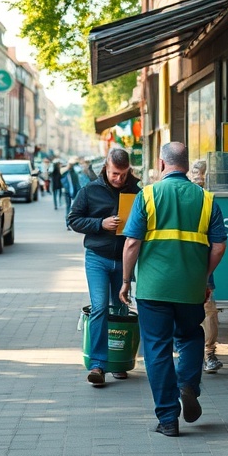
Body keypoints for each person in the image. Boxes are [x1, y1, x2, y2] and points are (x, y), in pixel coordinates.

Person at [119, 142, 227, 437]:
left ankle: (168, 419)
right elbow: (219, 246)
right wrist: (204, 277)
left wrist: (126, 280)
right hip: (191, 288)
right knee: (191, 336)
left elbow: (131, 243)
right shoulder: (206, 199)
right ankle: (188, 384)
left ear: (161, 163)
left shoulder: (148, 195)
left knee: (157, 348)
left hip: (153, 289)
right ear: (187, 164)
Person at [67, 147, 141, 387]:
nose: (119, 178)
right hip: (97, 258)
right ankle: (98, 364)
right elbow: (73, 220)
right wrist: (101, 223)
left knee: (120, 308)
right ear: (106, 168)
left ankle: (118, 362)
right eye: (114, 174)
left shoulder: (137, 191)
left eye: (123, 174)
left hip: (124, 259)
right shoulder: (90, 190)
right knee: (99, 307)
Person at [190, 159, 222, 374]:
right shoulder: (207, 202)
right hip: (196, 262)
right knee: (204, 310)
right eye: (195, 175)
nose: (199, 179)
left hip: (197, 262)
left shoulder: (209, 202)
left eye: (201, 175)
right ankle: (202, 354)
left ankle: (208, 353)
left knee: (208, 310)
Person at [61, 160, 81, 227]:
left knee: (68, 207)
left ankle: (68, 222)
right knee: (71, 207)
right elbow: (77, 184)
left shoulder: (66, 173)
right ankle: (69, 221)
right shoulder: (74, 173)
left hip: (67, 192)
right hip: (72, 192)